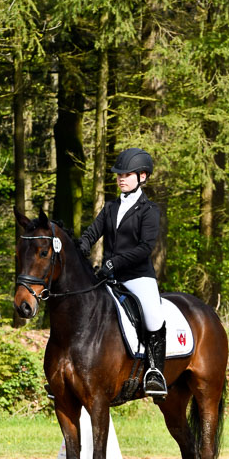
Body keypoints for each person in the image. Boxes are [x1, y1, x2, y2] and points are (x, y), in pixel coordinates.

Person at [78, 148, 167, 398]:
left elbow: (144, 248)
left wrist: (114, 263)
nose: (121, 178)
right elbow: (92, 234)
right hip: (110, 277)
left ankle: (155, 373)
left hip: (139, 277)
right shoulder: (110, 207)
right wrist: (80, 248)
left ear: (142, 177)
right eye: (119, 175)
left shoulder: (149, 210)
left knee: (153, 316)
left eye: (126, 175)